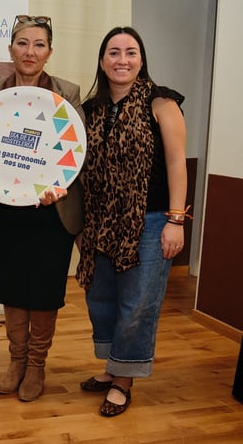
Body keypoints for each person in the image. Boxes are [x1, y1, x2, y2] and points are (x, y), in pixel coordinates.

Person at [0, 15, 83, 402]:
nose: (29, 51)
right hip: (4, 206)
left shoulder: (67, 91)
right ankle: (16, 361)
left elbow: (76, 150)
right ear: (10, 49)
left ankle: (36, 365)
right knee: (13, 287)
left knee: (45, 291)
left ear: (49, 52)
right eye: (22, 43)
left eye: (38, 44)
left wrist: (60, 185)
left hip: (52, 210)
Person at [76, 26, 187, 417]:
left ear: (141, 60)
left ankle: (123, 380)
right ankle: (113, 367)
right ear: (102, 60)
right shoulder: (90, 109)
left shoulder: (162, 103)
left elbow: (176, 163)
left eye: (130, 52)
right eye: (113, 52)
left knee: (137, 303)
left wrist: (176, 220)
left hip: (151, 222)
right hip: (99, 224)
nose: (122, 60)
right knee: (101, 300)